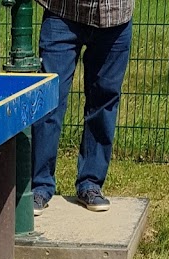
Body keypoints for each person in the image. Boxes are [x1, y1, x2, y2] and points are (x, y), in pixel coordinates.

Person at [31, 0, 135, 215]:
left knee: (104, 101)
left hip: (115, 16)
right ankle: (39, 187)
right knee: (50, 100)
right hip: (63, 11)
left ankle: (90, 184)